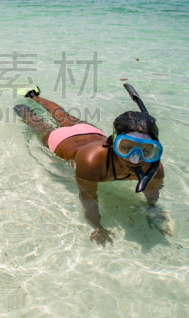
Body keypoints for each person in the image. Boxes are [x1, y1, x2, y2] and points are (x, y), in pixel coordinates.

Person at [14, 84, 165, 246]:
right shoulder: (91, 162)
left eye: (146, 150)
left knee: (63, 116)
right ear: (113, 142)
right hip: (62, 140)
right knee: (40, 126)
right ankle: (29, 100)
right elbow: (88, 198)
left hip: (91, 132)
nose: (135, 159)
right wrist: (98, 227)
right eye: (126, 148)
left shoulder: (153, 166)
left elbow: (152, 194)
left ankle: (33, 97)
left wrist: (153, 211)